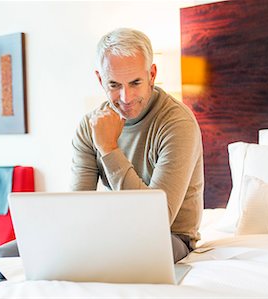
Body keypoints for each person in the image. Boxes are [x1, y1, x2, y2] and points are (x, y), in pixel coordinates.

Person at [71, 28, 204, 263]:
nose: (126, 97)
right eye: (114, 85)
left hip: (169, 237)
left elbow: (154, 220)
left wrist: (109, 149)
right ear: (100, 79)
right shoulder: (89, 126)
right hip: (112, 232)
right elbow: (76, 208)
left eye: (135, 83)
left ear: (152, 74)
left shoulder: (177, 123)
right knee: (2, 254)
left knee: (122, 255)